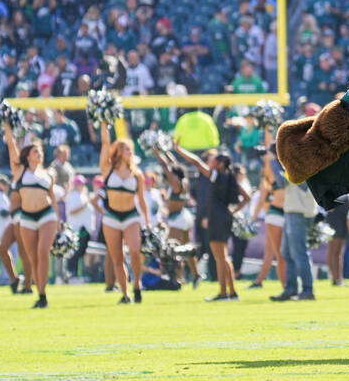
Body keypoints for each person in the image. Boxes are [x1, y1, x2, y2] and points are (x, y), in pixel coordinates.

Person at [173, 143, 247, 301]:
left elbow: (196, 162)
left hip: (216, 217)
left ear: (220, 164)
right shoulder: (230, 177)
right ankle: (232, 292)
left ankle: (223, 293)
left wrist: (179, 149)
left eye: (214, 160)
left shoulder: (216, 175)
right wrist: (233, 211)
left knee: (219, 257)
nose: (210, 163)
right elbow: (246, 197)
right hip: (226, 217)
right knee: (225, 256)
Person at [96, 121, 151, 304]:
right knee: (117, 257)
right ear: (118, 151)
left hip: (130, 215)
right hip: (111, 216)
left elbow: (141, 200)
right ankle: (125, 293)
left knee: (135, 251)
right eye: (125, 149)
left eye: (129, 149)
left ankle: (137, 284)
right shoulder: (108, 169)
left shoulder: (137, 174)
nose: (129, 152)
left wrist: (148, 221)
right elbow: (105, 144)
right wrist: (104, 124)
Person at [5, 124, 58, 308]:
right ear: (28, 155)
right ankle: (40, 293)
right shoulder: (20, 171)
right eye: (35, 151)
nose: (39, 154)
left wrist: (58, 220)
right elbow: (12, 147)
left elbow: (52, 198)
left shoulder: (49, 174)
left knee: (43, 252)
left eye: (40, 151)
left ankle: (43, 294)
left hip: (47, 215)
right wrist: (7, 127)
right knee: (32, 257)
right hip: (26, 217)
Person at [271, 147, 318, 302]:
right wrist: (274, 163)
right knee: (287, 253)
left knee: (299, 252)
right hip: (292, 211)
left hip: (300, 212)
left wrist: (274, 163)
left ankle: (307, 289)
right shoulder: (294, 164)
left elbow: (300, 184)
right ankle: (291, 289)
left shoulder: (304, 163)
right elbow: (280, 183)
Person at [155, 149, 198, 286]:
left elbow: (168, 168)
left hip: (177, 219)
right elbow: (174, 164)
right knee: (186, 248)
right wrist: (166, 151)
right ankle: (196, 275)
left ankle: (179, 278)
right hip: (184, 216)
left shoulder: (176, 184)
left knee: (172, 249)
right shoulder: (183, 181)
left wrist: (156, 152)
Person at [251, 145, 286, 290]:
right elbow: (261, 201)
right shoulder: (269, 175)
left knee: (275, 253)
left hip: (286, 213)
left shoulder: (283, 171)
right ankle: (262, 281)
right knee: (275, 253)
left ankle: (259, 281)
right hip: (274, 214)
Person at [0, 173, 33, 294]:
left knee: (23, 252)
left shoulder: (27, 178)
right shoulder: (16, 177)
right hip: (14, 219)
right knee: (2, 248)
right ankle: (14, 279)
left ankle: (28, 285)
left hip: (22, 217)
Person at [64, 175, 95, 281]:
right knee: (76, 251)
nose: (82, 186)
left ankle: (73, 273)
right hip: (77, 228)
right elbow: (71, 211)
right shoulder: (72, 196)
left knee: (81, 251)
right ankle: (71, 272)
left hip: (84, 228)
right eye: (80, 183)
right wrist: (84, 206)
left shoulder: (83, 195)